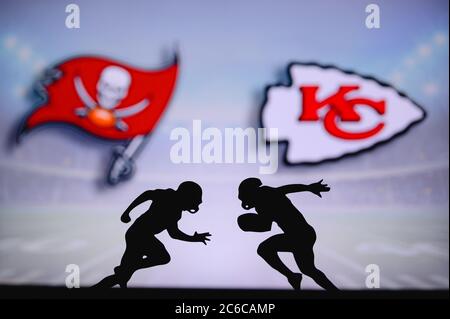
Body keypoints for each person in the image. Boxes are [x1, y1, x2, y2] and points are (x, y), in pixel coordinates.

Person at [93, 181, 211, 288]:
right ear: (186, 197)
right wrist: (127, 211)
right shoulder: (167, 197)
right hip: (139, 235)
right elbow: (147, 194)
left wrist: (193, 238)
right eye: (192, 201)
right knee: (162, 257)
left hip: (139, 235)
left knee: (122, 277)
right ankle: (130, 267)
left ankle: (97, 289)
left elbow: (174, 233)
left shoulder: (175, 210)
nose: (193, 206)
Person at [237, 177, 338, 291]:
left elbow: (265, 226)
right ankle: (334, 291)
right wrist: (308, 187)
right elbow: (285, 189)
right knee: (308, 270)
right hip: (302, 234)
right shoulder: (264, 196)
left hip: (298, 235)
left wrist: (247, 223)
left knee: (264, 249)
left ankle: (292, 276)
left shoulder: (264, 196)